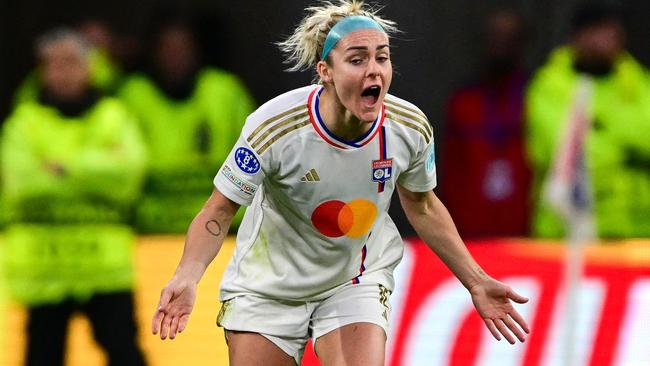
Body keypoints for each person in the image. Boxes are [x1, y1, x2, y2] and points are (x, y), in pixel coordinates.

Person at [152, 1, 530, 365]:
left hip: (354, 278)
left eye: (382, 57)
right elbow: (220, 208)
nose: (374, 70)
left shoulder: (408, 128)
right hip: (268, 286)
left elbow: (424, 205)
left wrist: (476, 281)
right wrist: (187, 275)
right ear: (325, 71)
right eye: (356, 59)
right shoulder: (274, 127)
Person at [1, 28, 147, 366]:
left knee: (125, 353)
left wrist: (62, 168)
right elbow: (21, 185)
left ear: (89, 67)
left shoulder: (115, 116)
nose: (63, 72)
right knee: (42, 355)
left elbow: (128, 176)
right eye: (53, 64)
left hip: (105, 270)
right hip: (45, 272)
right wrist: (96, 172)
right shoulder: (23, 123)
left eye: (71, 62)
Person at [526, 1, 650, 238]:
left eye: (610, 31)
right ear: (576, 37)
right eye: (596, 31)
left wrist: (600, 124)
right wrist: (626, 148)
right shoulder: (549, 85)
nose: (603, 40)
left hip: (635, 233)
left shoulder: (639, 83)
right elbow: (563, 150)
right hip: (566, 233)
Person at [118, 18, 255, 234]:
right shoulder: (133, 94)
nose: (176, 56)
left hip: (223, 226)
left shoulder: (224, 90)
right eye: (167, 48)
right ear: (153, 53)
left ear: (197, 51)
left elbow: (257, 155)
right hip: (152, 229)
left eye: (183, 48)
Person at [442, 9, 532, 238]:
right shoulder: (463, 102)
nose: (501, 46)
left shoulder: (536, 99)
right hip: (471, 232)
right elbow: (450, 172)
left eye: (509, 38)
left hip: (524, 231)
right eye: (496, 37)